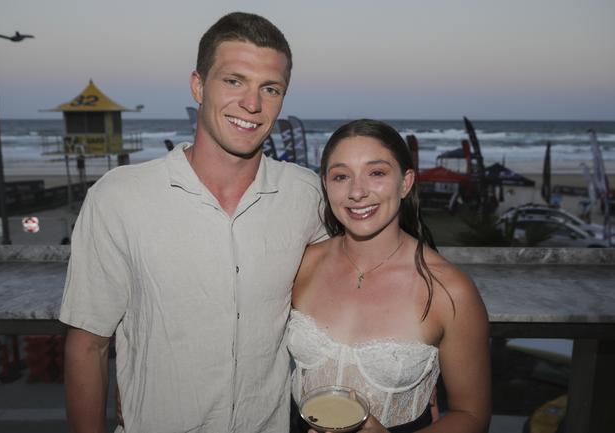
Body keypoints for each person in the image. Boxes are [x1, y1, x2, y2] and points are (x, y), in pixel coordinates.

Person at [60, 12, 326, 433]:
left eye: (270, 89)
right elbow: (88, 345)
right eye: (234, 81)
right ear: (198, 86)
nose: (252, 104)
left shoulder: (306, 194)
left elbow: (354, 281)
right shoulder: (120, 197)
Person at [288, 119, 491, 433]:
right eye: (341, 176)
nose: (357, 192)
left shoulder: (449, 291)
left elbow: (472, 416)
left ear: (406, 182)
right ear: (326, 185)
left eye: (377, 173)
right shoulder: (302, 265)